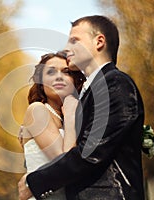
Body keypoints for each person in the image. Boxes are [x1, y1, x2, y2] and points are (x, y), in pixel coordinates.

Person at [18, 15, 145, 200]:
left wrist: (35, 182)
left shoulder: (115, 84)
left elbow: (90, 154)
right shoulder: (92, 92)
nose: (67, 48)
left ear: (99, 42)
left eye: (74, 40)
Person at [19, 51, 85, 199]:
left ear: (74, 80)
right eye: (51, 72)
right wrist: (69, 117)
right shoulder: (37, 110)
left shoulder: (75, 116)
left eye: (66, 72)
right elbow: (65, 164)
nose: (59, 76)